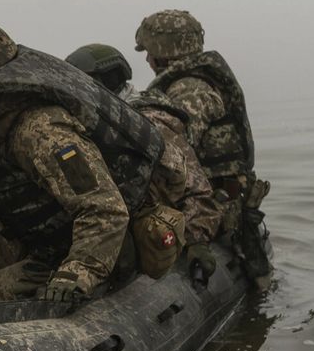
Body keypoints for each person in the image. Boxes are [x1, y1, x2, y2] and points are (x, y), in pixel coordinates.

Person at [0, 20, 164, 305]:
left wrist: (77, 273)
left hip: (93, 246)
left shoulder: (40, 130)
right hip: (42, 238)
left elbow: (104, 208)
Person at [131, 11, 270, 284]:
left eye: (148, 51)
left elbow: (174, 156)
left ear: (163, 51)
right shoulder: (194, 83)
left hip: (215, 207)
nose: (147, 59)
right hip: (220, 199)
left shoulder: (189, 90)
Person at [67, 43, 223, 273]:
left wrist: (196, 240)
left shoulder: (149, 124)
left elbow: (197, 191)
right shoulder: (97, 122)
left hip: (150, 226)